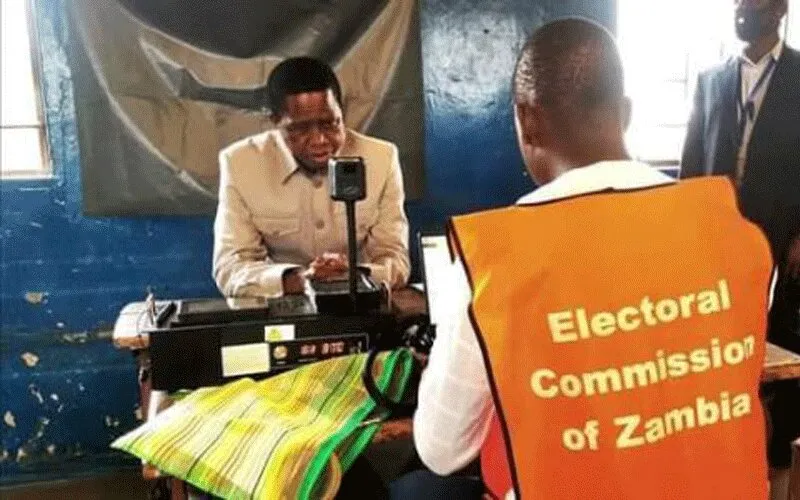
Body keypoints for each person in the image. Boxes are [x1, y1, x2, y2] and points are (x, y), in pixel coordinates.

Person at [406, 18, 774, 500]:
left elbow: (442, 450)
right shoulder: (732, 230)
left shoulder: (494, 259)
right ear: (626, 112)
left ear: (526, 120)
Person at [680, 0, 800, 484]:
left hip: (782, 230)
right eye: (736, 1)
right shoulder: (711, 80)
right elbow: (692, 163)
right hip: (718, 233)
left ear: (779, 10)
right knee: (718, 336)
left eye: (753, 1)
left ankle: (776, 451)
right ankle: (721, 437)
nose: (741, 8)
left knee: (781, 339)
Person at [213, 57, 410, 298]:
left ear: (341, 112)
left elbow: (396, 261)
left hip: (360, 302)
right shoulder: (240, 164)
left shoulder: (381, 159)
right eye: (300, 129)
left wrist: (351, 275)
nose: (319, 141)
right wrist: (302, 280)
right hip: (285, 305)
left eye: (330, 124)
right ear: (275, 121)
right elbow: (230, 268)